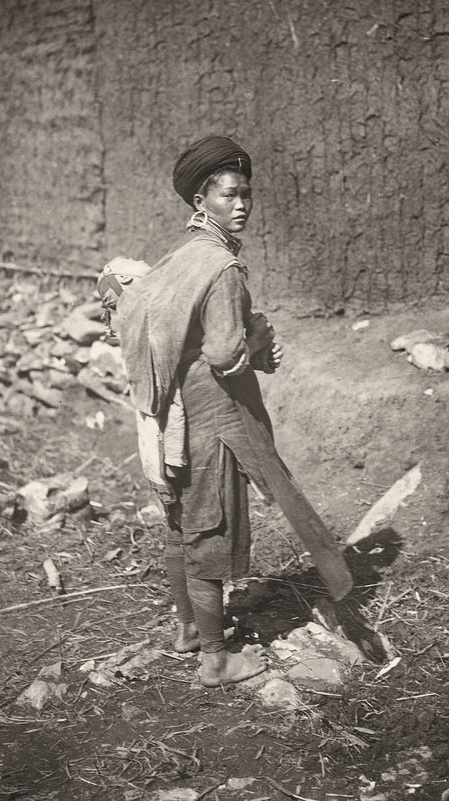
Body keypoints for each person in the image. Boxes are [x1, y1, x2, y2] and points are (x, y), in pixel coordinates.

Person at [112, 135, 352, 687]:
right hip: (213, 417)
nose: (241, 204)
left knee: (181, 523)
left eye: (246, 194)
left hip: (171, 411)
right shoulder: (219, 266)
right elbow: (223, 353)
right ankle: (216, 660)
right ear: (201, 201)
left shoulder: (179, 258)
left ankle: (189, 631)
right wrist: (258, 339)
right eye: (228, 195)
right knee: (208, 527)